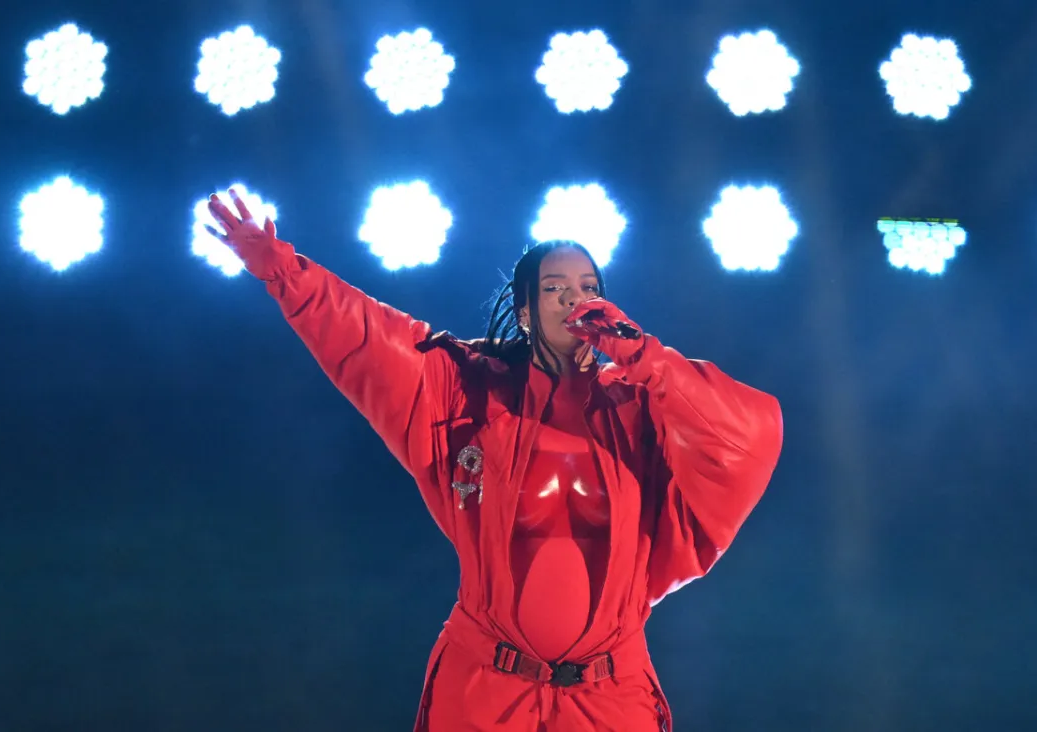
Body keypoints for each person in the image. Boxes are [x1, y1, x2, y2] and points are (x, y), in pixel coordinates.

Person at [205, 189, 783, 731]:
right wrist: (283, 272)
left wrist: (644, 354)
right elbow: (365, 335)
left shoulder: (641, 405)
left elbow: (748, 432)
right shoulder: (467, 391)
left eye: (588, 286)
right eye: (555, 288)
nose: (575, 300)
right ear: (526, 311)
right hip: (486, 691)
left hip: (609, 697)